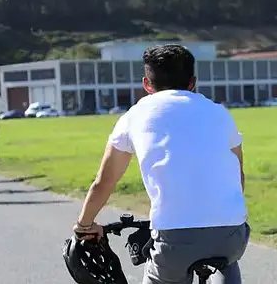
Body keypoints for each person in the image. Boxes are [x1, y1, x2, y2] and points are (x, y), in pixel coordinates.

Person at [71, 44, 250, 284]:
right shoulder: (219, 112)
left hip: (174, 240)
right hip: (233, 235)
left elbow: (104, 182)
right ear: (192, 83)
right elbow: (238, 178)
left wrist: (85, 225)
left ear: (146, 84)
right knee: (225, 259)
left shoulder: (134, 116)